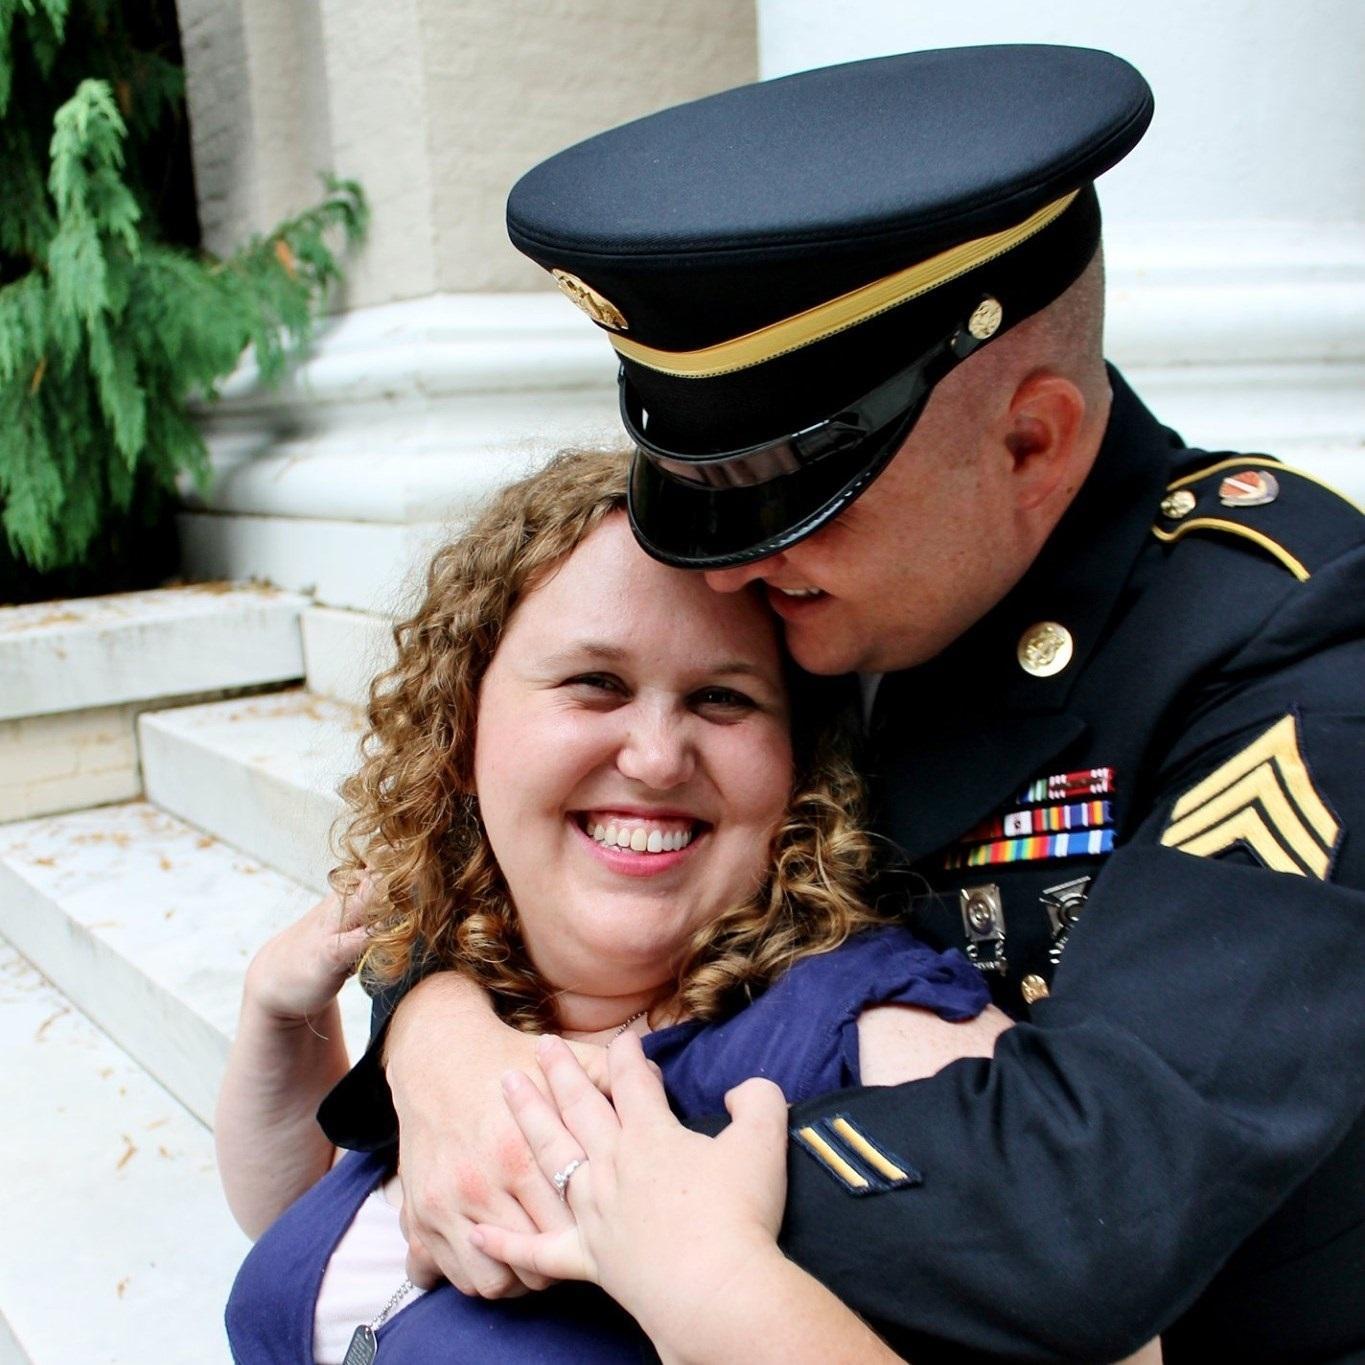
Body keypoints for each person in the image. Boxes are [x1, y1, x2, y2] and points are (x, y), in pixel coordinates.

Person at [321, 45, 1365, 1364]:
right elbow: (515, 824)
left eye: (799, 492)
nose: (734, 559)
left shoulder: (1290, 639)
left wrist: (546, 1149)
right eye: (705, 483)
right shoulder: (826, 583)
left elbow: (1087, 1201)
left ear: (1030, 442)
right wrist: (438, 1035)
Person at [217, 447, 1017, 1362]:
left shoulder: (875, 1039)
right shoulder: (472, 987)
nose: (655, 756)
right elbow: (312, 1237)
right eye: (595, 683)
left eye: (722, 698)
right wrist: (277, 1017)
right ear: (464, 720)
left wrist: (714, 1288)